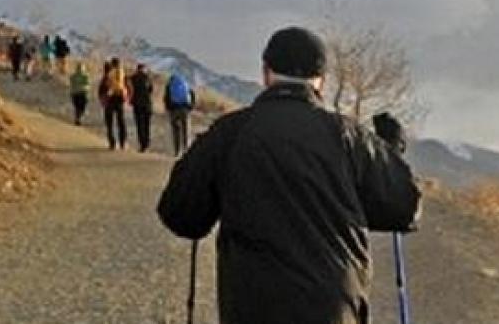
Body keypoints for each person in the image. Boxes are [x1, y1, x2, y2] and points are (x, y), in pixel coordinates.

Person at [157, 27, 421, 324]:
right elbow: (403, 209)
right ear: (321, 80)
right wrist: (391, 153)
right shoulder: (349, 137)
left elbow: (179, 214)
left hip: (252, 307)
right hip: (334, 308)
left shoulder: (229, 133)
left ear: (266, 72)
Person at [164, 71, 196, 157]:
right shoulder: (186, 84)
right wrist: (191, 106)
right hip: (185, 109)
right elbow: (192, 95)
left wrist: (168, 109)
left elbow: (166, 98)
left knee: (176, 131)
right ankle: (186, 149)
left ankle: (177, 151)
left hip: (174, 110)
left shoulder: (170, 85)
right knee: (185, 130)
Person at [102, 57, 131, 150]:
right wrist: (127, 98)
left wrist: (103, 99)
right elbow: (129, 87)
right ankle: (123, 143)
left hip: (109, 100)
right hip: (120, 99)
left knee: (109, 123)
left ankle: (112, 143)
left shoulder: (108, 75)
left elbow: (102, 88)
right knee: (121, 122)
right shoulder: (123, 75)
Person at [130, 63, 154, 152]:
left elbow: (130, 89)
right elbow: (151, 90)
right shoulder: (148, 78)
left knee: (140, 125)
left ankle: (142, 144)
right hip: (147, 104)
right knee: (147, 125)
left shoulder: (133, 78)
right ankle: (147, 143)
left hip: (137, 104)